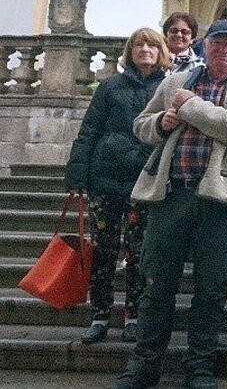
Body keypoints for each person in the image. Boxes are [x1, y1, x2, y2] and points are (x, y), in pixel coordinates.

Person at [114, 19, 227, 389]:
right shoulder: (174, 83)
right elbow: (141, 124)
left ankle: (199, 366)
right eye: (217, 43)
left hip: (221, 199)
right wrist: (163, 123)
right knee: (157, 284)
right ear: (205, 46)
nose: (224, 50)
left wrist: (190, 108)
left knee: (211, 287)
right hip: (171, 194)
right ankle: (143, 365)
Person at [65, 28, 169, 345]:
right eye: (139, 44)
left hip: (144, 182)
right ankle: (100, 315)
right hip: (106, 179)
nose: (146, 49)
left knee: (139, 253)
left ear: (161, 50)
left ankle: (133, 315)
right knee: (103, 251)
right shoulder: (110, 86)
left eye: (152, 44)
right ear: (130, 50)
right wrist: (77, 174)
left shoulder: (168, 87)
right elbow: (90, 129)